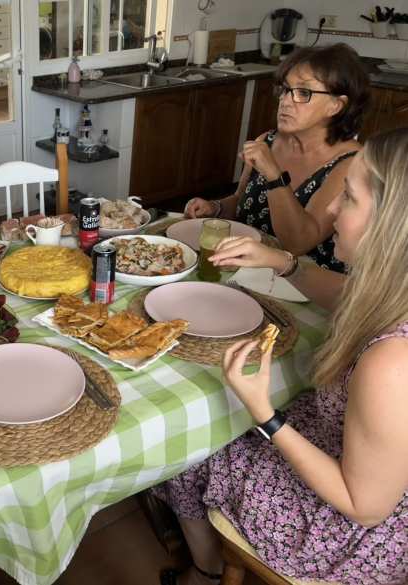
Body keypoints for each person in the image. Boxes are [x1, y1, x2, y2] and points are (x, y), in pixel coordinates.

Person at [154, 127, 408, 585]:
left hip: (347, 536)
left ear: (390, 223)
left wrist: (265, 413)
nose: (330, 210)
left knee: (187, 449)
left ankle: (206, 571)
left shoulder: (392, 363)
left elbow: (364, 507)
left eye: (348, 198)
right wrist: (283, 263)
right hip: (353, 457)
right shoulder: (393, 292)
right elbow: (346, 295)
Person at [184, 44, 370, 273]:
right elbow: (241, 200)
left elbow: (299, 243)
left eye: (303, 93)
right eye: (285, 89)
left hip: (303, 286)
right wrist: (215, 208)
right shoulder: (268, 140)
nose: (286, 100)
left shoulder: (351, 163)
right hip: (247, 270)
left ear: (336, 105)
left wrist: (274, 175)